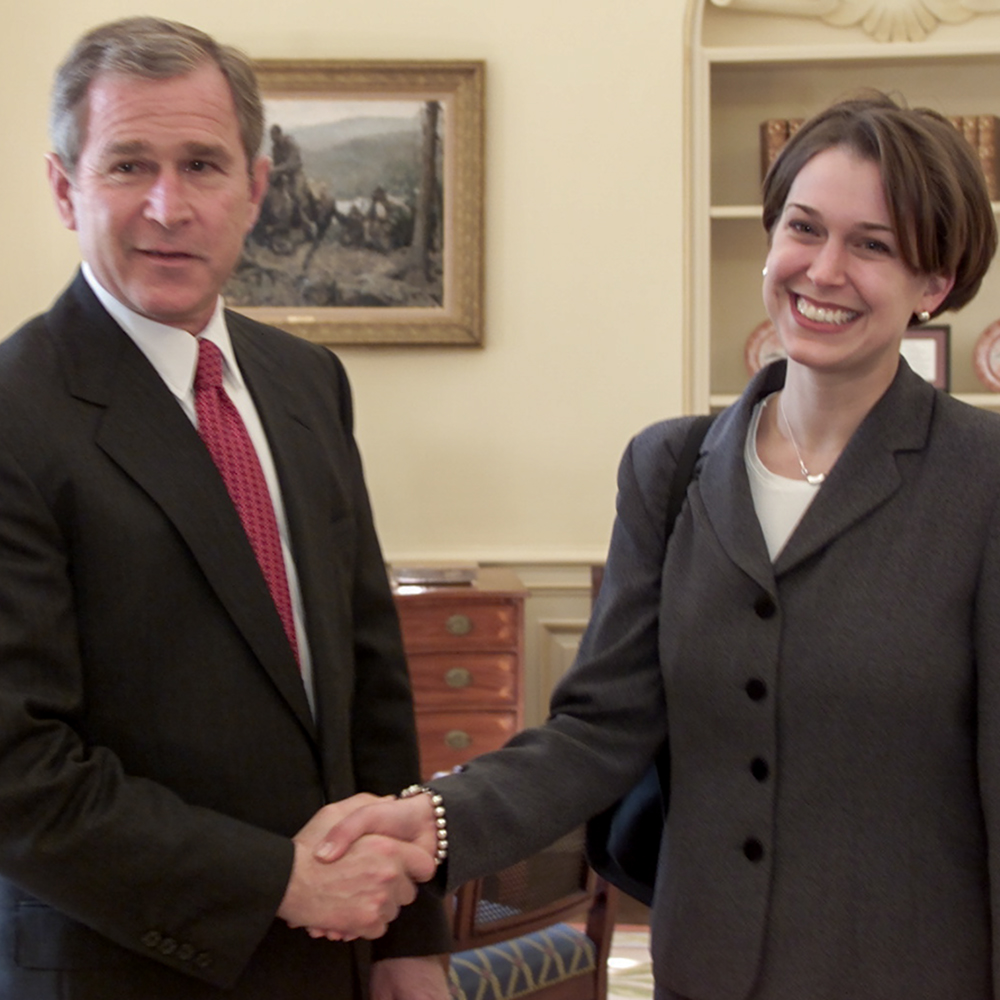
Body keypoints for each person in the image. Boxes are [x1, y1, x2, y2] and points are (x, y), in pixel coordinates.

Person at [317, 92, 1000, 999]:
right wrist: (436, 821)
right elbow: (602, 730)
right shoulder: (671, 467)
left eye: (872, 245)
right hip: (700, 973)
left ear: (936, 284)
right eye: (804, 227)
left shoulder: (984, 481)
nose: (823, 269)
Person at [0, 16, 450, 1000]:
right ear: (65, 187)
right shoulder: (15, 414)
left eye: (203, 164)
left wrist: (412, 937)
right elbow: (18, 774)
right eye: (129, 165)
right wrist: (280, 880)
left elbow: (371, 678)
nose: (169, 206)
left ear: (254, 189)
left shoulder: (305, 382)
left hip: (333, 968)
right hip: (123, 970)